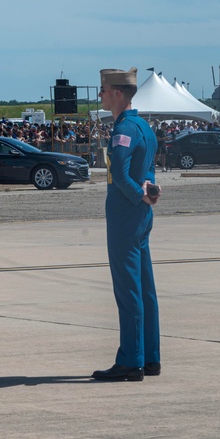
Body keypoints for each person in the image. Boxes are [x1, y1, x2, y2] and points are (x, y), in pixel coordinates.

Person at [93, 67, 161, 382]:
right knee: (145, 288)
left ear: (118, 93)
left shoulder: (124, 129)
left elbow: (120, 174)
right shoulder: (144, 127)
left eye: (103, 89)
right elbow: (147, 171)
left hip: (125, 215)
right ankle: (149, 357)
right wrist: (148, 192)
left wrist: (138, 196)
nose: (100, 95)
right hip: (141, 215)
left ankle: (131, 360)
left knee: (129, 290)